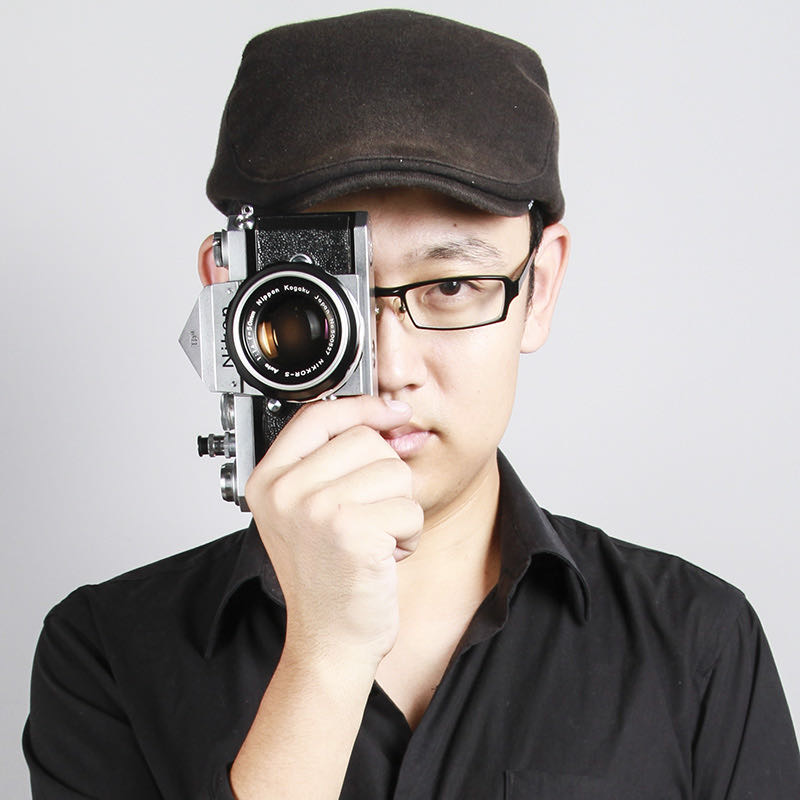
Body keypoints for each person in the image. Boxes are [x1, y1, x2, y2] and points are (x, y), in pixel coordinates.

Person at [23, 9, 800, 800]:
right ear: (232, 302)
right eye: (325, 303)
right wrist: (325, 656)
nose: (391, 370)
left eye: (452, 285)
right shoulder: (106, 652)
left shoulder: (698, 645)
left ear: (540, 288)